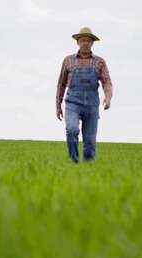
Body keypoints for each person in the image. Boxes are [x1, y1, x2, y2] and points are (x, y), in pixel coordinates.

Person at [56, 26, 113, 163]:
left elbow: (107, 81)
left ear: (92, 42)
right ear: (78, 42)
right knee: (72, 130)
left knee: (89, 142)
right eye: (83, 40)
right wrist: (58, 105)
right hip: (72, 104)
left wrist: (108, 97)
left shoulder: (100, 62)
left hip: (92, 105)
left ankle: (88, 170)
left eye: (88, 40)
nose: (85, 42)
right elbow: (61, 84)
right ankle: (74, 162)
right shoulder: (68, 61)